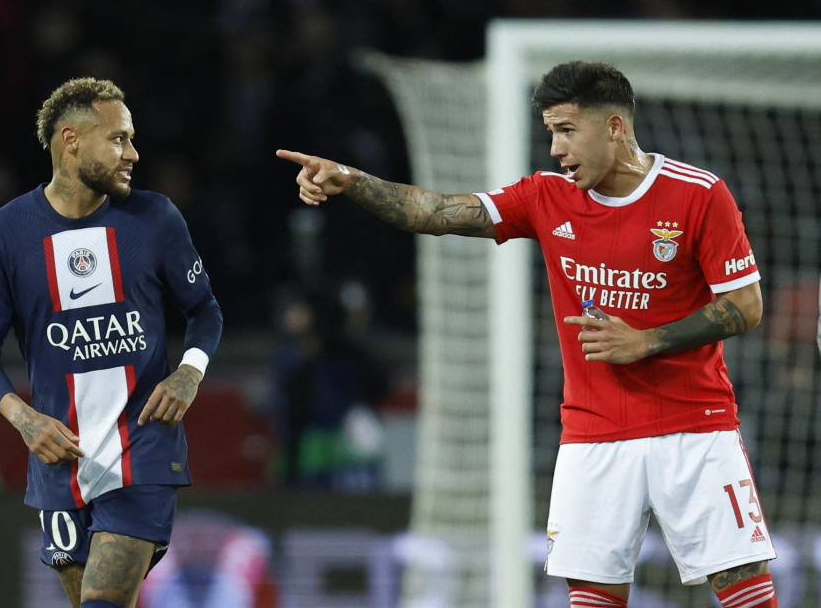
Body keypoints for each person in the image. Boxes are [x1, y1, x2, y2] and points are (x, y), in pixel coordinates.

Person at [277, 61, 778, 607]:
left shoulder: (698, 194)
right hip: (593, 434)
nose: (556, 150)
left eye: (566, 131)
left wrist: (647, 340)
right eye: (550, 134)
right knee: (592, 595)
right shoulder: (547, 196)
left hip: (694, 424)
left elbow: (746, 305)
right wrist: (353, 180)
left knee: (741, 585)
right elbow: (438, 212)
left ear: (614, 127)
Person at [0, 77, 223, 608]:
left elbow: (205, 311)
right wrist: (25, 419)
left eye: (131, 139)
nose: (133, 152)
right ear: (71, 141)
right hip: (60, 463)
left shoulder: (155, 220)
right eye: (119, 139)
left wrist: (189, 372)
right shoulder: (3, 234)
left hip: (143, 448)